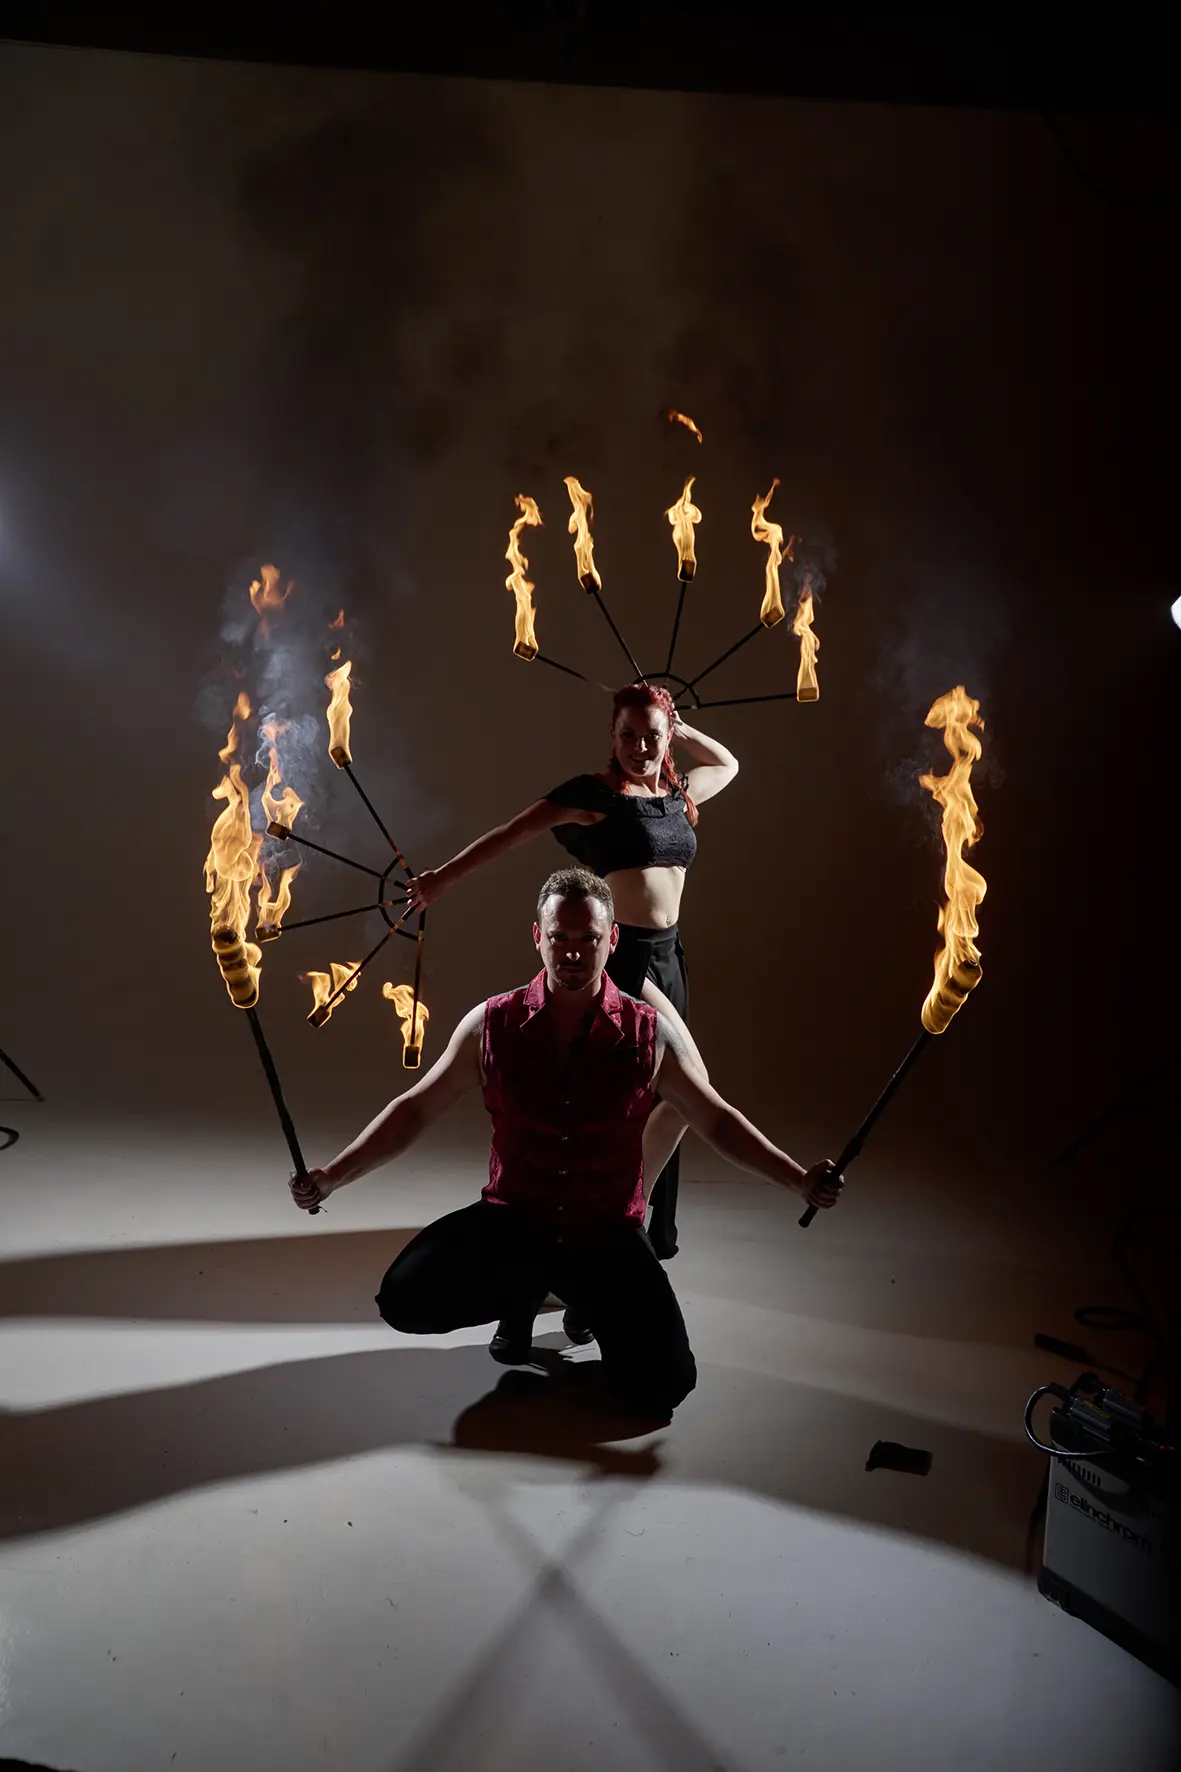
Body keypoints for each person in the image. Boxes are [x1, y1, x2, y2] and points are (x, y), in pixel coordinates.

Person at [291, 866, 843, 1420]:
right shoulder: (492, 1025)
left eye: (589, 940)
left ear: (613, 940)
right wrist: (332, 1176)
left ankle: (589, 1300)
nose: (573, 953)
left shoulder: (648, 1034)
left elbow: (717, 1121)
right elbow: (414, 1111)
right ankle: (527, 1290)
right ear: (538, 936)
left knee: (664, 1388)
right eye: (560, 938)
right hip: (515, 1225)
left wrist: (798, 1179)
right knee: (405, 1298)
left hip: (603, 1234)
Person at [406, 682, 739, 1278]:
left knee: (661, 1094)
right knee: (695, 1085)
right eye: (629, 736)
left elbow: (729, 763)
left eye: (652, 737)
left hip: (670, 956)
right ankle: (622, 1215)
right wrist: (443, 879)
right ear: (612, 738)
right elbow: (512, 833)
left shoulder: (680, 793)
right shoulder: (595, 796)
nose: (640, 747)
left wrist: (680, 730)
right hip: (624, 957)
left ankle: (619, 1214)